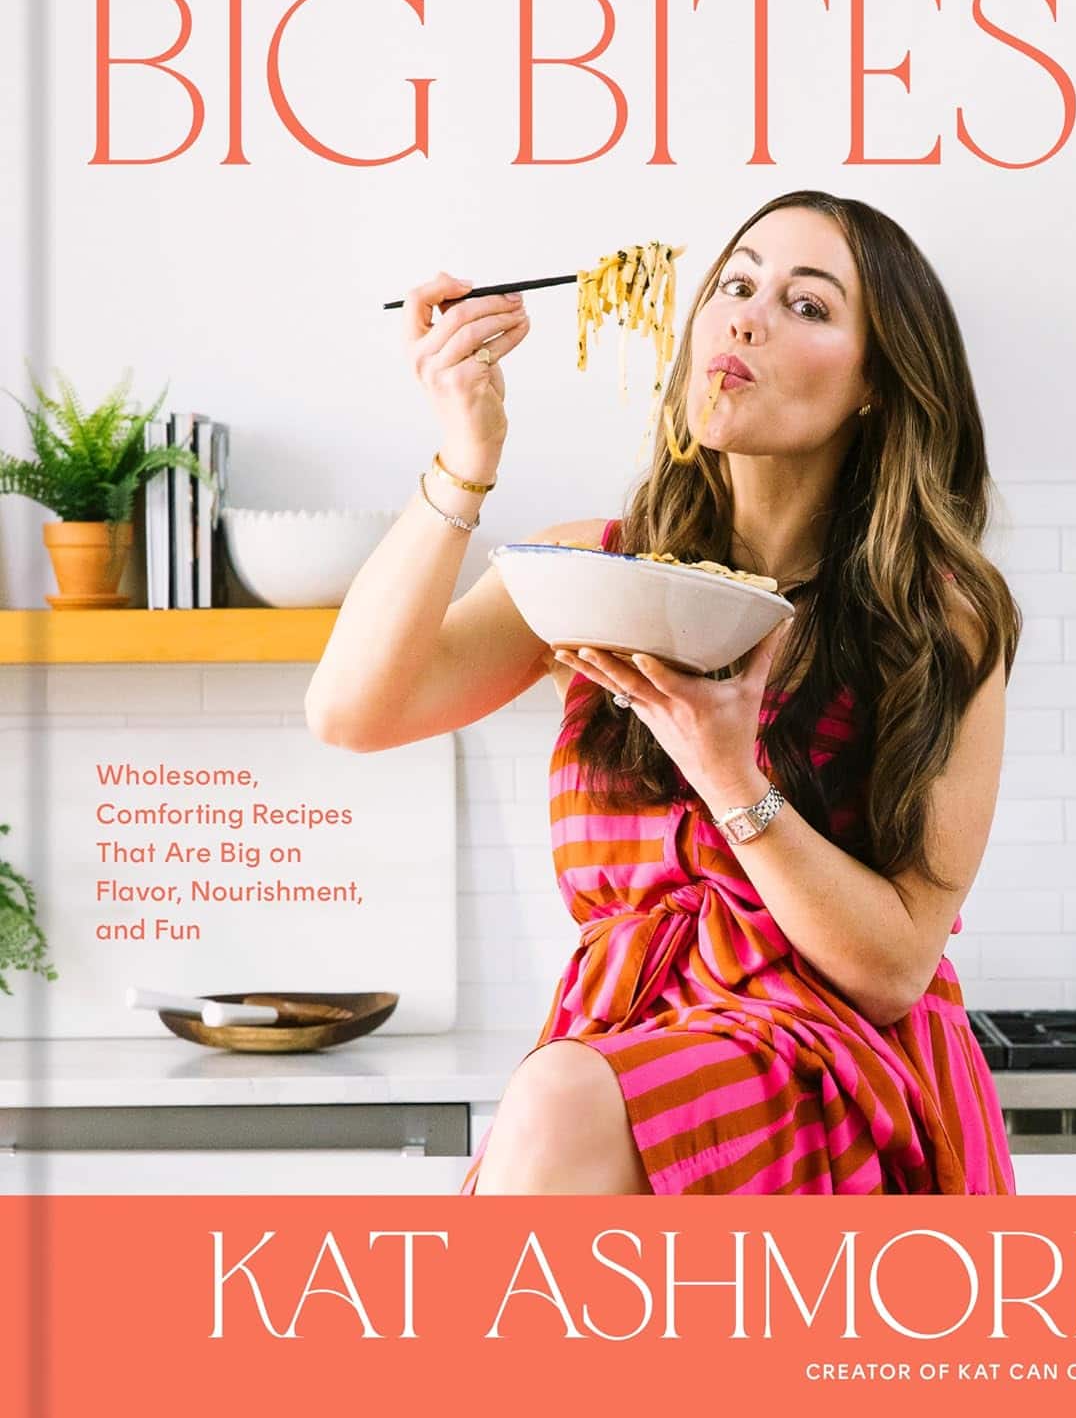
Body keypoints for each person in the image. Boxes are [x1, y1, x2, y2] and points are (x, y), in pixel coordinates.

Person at [305, 189, 1023, 1195]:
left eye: (805, 306)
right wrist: (466, 459)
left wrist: (727, 772)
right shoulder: (593, 574)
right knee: (553, 1111)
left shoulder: (933, 618)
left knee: (551, 1105)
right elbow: (351, 711)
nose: (742, 316)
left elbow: (893, 968)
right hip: (615, 1063)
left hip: (827, 1072)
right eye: (733, 285)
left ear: (874, 384)